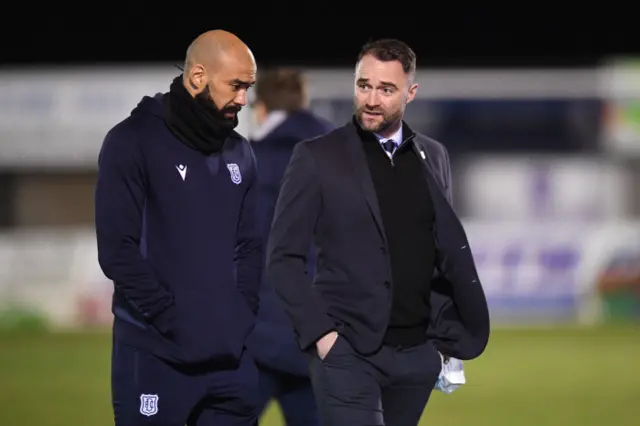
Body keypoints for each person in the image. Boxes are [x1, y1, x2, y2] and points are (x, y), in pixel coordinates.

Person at [266, 38, 491, 426]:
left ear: (410, 93)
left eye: (386, 90)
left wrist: (438, 348)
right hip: (346, 353)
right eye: (364, 85)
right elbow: (283, 256)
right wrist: (322, 337)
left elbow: (442, 255)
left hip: (416, 356)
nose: (371, 99)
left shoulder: (434, 157)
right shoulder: (316, 156)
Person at [94, 29, 263, 426]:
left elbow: (251, 246)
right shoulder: (130, 141)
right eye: (235, 85)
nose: (243, 98)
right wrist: (174, 320)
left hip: (230, 363)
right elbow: (117, 250)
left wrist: (239, 316)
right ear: (199, 76)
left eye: (248, 87)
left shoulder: (241, 151)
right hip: (156, 356)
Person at [245, 68, 333, 426]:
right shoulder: (340, 158)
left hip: (255, 336)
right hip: (319, 334)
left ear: (260, 109)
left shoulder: (242, 163)